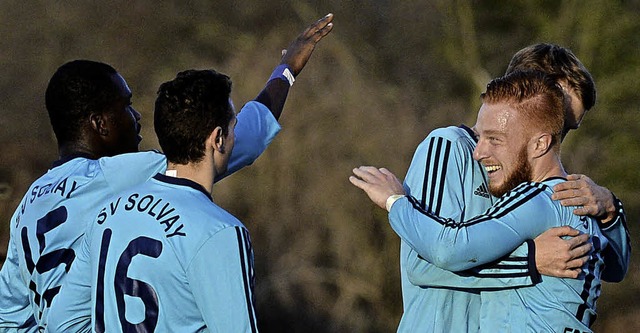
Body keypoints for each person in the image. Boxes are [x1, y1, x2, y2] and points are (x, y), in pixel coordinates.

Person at [0, 13, 334, 332]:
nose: (135, 117)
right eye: (126, 106)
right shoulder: (117, 177)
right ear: (99, 123)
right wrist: (287, 70)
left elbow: (9, 317)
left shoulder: (25, 208)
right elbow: (238, 140)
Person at [375, 43, 629, 332]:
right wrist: (529, 261)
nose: (557, 134)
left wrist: (609, 210)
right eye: (555, 111)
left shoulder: (534, 182)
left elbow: (612, 267)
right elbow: (422, 264)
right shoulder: (450, 147)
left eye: (566, 127)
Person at [48, 69, 262, 332]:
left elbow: (62, 323)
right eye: (233, 127)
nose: (235, 137)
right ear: (218, 138)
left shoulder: (107, 216)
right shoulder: (221, 231)